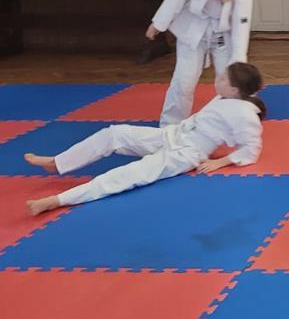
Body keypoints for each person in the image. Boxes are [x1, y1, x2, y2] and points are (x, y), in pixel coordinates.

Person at [24, 62, 266, 215]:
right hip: (172, 135)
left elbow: (252, 148)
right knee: (114, 134)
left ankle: (57, 200)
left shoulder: (244, 114)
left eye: (223, 78)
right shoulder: (225, 97)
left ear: (234, 89)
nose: (217, 79)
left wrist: (219, 162)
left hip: (184, 154)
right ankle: (58, 162)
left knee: (130, 174)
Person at [147, 0, 255, 126]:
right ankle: (171, 125)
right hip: (193, 32)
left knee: (232, 82)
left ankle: (233, 122)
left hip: (222, 36)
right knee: (184, 81)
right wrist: (158, 23)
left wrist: (238, 60)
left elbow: (241, 26)